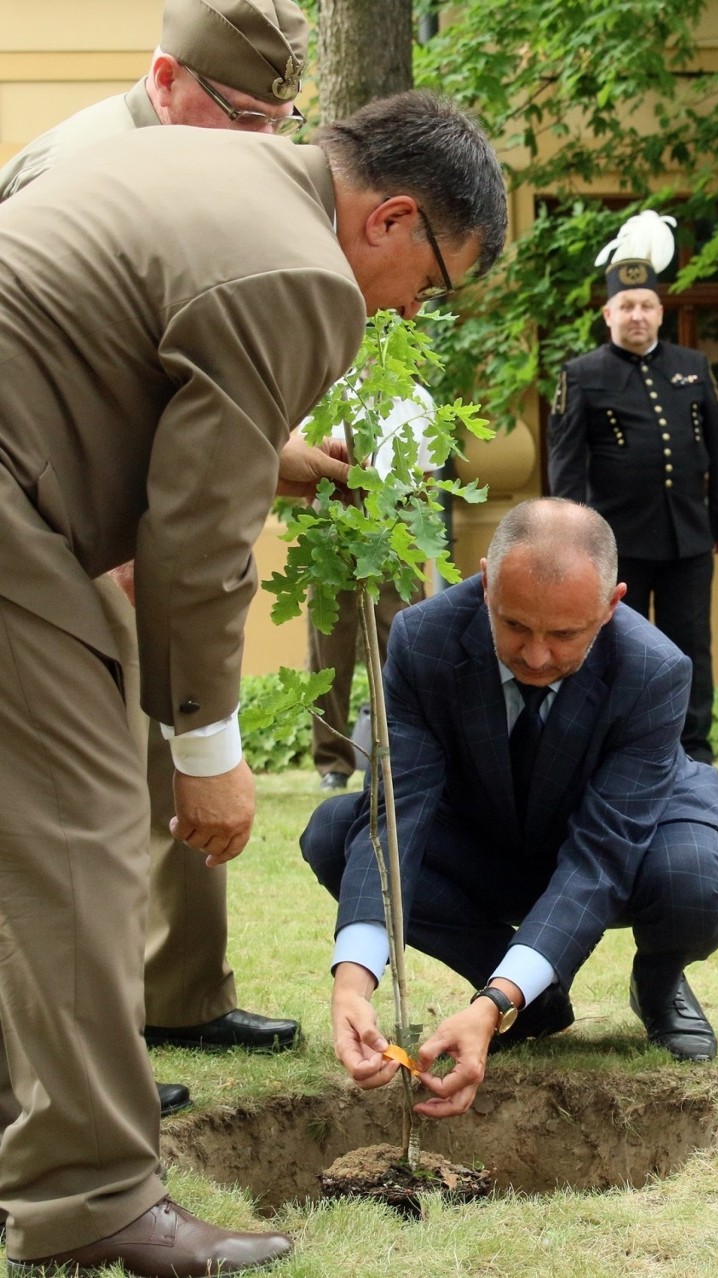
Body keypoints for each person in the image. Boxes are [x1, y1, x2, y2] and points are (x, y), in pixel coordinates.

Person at [0, 90, 506, 1273]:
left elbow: (127, 354)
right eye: (430, 284)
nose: (403, 310)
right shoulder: (305, 280)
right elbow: (193, 542)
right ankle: (91, 1204)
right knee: (83, 837)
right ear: (389, 219)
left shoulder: (211, 174)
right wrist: (205, 752)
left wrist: (278, 457)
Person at [0, 1, 313, 1088]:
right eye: (245, 115)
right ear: (165, 75)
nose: (263, 146)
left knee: (177, 739)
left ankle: (181, 993)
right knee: (93, 799)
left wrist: (277, 449)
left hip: (124, 523)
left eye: (284, 121)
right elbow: (71, 370)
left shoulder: (216, 169)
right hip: (61, 530)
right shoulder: (81, 163)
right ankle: (92, 1052)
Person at [301, 498, 718, 1121]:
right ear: (485, 584)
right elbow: (398, 811)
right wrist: (354, 979)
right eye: (515, 627)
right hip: (489, 831)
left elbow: (601, 856)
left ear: (612, 604)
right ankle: (533, 1000)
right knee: (332, 835)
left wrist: (486, 1010)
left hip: (634, 837)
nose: (536, 656)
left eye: (564, 635)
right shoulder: (424, 638)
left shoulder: (655, 670)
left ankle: (660, 983)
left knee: (693, 883)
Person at [547, 213, 718, 765]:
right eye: (626, 306)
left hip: (687, 539)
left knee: (689, 646)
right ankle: (617, 746)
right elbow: (567, 463)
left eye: (646, 305)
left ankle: (693, 750)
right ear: (608, 314)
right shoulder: (582, 374)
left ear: (660, 311)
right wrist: (575, 538)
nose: (637, 315)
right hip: (618, 542)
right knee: (616, 649)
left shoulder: (692, 367)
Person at [309, 384, 436, 791]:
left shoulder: (417, 397)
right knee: (329, 642)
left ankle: (398, 754)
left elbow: (427, 475)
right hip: (335, 509)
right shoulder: (326, 390)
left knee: (400, 638)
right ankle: (332, 761)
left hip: (397, 516)